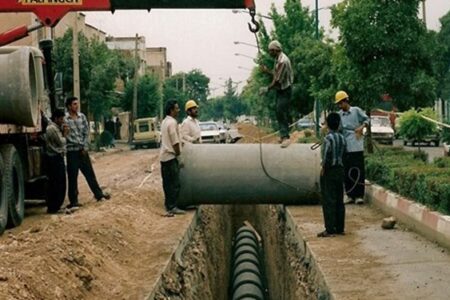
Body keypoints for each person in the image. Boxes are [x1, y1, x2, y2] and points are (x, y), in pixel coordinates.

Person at [64, 96, 110, 208]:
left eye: (77, 103)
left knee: (90, 174)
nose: (77, 106)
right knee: (72, 177)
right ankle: (74, 201)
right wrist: (78, 144)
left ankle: (99, 195)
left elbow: (86, 132)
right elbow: (66, 136)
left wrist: (84, 145)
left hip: (82, 151)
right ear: (69, 106)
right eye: (74, 104)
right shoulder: (65, 119)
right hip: (72, 151)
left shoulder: (82, 117)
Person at [335, 91, 369, 205]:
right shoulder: (339, 115)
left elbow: (367, 120)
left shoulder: (356, 111)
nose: (340, 106)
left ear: (346, 101)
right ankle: (349, 195)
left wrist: (361, 127)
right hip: (345, 147)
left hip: (357, 145)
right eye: (338, 104)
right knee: (346, 172)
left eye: (341, 103)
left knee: (358, 171)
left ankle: (359, 195)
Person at [259, 40, 294, 148]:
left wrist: (267, 89)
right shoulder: (278, 60)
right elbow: (276, 74)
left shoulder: (283, 61)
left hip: (285, 90)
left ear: (275, 50)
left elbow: (277, 81)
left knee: (281, 111)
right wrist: (267, 71)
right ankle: (283, 135)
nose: (269, 53)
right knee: (279, 112)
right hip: (280, 90)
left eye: (270, 51)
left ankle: (286, 137)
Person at [318, 113, 346, 237]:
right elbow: (345, 154)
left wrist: (324, 168)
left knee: (328, 199)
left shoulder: (328, 139)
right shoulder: (342, 138)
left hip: (330, 171)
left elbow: (326, 156)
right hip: (340, 170)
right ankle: (340, 228)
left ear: (328, 124)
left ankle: (329, 229)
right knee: (339, 199)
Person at [160, 100, 185, 216]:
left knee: (167, 183)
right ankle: (172, 207)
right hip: (170, 157)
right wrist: (179, 155)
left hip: (163, 157)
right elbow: (175, 142)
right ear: (171, 110)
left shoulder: (164, 122)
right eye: (176, 108)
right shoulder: (172, 123)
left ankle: (168, 205)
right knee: (175, 183)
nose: (178, 110)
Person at [44, 109, 68, 214]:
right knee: (57, 183)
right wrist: (65, 134)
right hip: (54, 158)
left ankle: (56, 206)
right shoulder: (52, 129)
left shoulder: (54, 127)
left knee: (59, 183)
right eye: (61, 118)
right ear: (56, 118)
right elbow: (61, 142)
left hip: (56, 157)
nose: (63, 120)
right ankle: (54, 207)